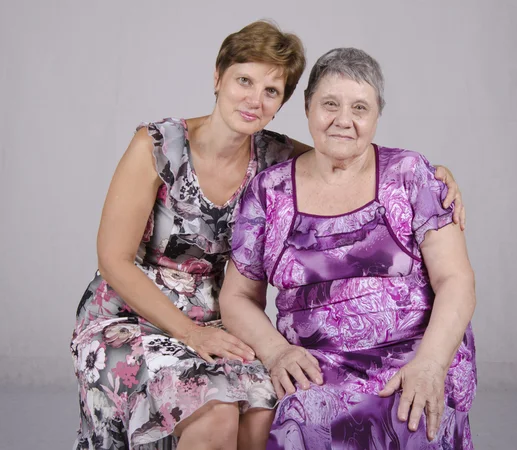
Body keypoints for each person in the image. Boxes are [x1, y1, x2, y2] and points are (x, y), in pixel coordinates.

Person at [70, 21, 465, 450]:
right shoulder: (157, 146)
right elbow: (113, 260)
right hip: (139, 314)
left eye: (271, 91)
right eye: (244, 80)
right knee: (215, 413)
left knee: (264, 413)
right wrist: (190, 333)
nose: (254, 100)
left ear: (285, 103)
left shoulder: (276, 156)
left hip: (223, 324)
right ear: (217, 77)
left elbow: (344, 149)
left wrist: (439, 177)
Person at [220, 47, 477, 450]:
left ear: (377, 116)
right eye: (330, 105)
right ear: (307, 108)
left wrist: (431, 364)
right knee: (299, 422)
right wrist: (276, 352)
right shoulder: (269, 192)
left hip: (414, 351)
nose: (344, 120)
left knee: (408, 420)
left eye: (360, 107)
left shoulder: (411, 175)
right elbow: (236, 295)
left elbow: (455, 279)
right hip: (315, 362)